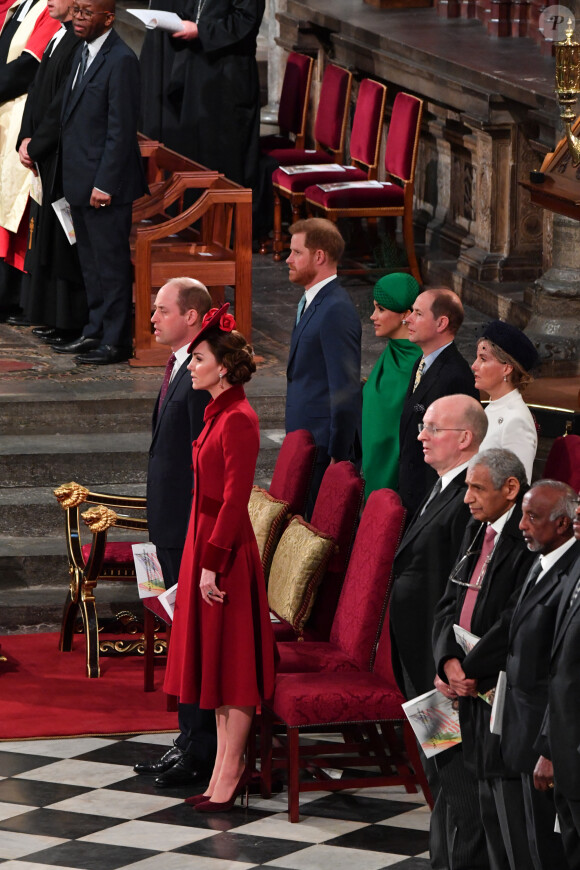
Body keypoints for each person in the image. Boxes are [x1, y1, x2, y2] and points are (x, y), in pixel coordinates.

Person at [163, 303, 276, 812]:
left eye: (198, 358)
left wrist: (210, 561)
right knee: (213, 663)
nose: (190, 364)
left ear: (223, 368)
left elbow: (235, 499)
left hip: (223, 552)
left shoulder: (240, 419)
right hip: (204, 542)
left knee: (232, 667)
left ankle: (231, 774)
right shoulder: (218, 412)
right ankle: (218, 772)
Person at [389, 393, 489, 870]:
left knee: (455, 778)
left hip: (437, 667)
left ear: (465, 438)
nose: (420, 435)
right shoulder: (443, 486)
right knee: (439, 775)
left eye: (432, 428)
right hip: (417, 658)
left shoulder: (468, 501)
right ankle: (443, 859)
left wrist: (445, 659)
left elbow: (461, 593)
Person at [133, 277, 218, 788]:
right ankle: (187, 738)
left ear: (191, 315)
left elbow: (204, 463)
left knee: (191, 638)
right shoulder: (180, 365)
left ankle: (200, 747)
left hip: (188, 527)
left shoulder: (203, 371)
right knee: (180, 637)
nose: (153, 318)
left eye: (162, 310)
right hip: (169, 521)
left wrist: (195, 535)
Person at [433, 448, 536, 870]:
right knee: (450, 785)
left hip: (490, 689)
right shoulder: (477, 527)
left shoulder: (527, 539)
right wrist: (447, 663)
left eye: (477, 488)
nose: (466, 497)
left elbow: (515, 616)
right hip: (452, 686)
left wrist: (469, 672)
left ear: (510, 489)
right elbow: (447, 604)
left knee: (484, 804)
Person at [468, 480, 577, 870]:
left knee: (547, 853)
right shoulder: (540, 560)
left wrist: (548, 747)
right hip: (518, 727)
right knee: (523, 845)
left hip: (546, 736)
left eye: (533, 517)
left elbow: (563, 671)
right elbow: (510, 623)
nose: (523, 526)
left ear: (563, 524)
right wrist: (466, 669)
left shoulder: (571, 575)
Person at [54, 0, 148, 365]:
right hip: (78, 177)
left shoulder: (122, 60)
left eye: (85, 12)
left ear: (108, 18)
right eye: (75, 9)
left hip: (104, 185)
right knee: (90, 263)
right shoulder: (83, 51)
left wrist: (105, 184)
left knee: (110, 265)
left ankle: (116, 340)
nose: (77, 18)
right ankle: (94, 330)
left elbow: (120, 131)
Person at [15, 0, 85, 345]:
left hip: (61, 156)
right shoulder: (58, 35)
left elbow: (61, 104)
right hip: (45, 153)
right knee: (46, 239)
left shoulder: (76, 43)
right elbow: (35, 96)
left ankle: (70, 321)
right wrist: (24, 139)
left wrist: (37, 143)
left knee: (63, 243)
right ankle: (53, 317)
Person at [285, 218, 361, 513]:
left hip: (321, 451)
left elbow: (345, 388)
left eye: (296, 252)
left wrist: (337, 455)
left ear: (319, 257)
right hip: (305, 444)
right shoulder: (312, 301)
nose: (288, 260)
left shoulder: (336, 309)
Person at [0, 0, 60, 318]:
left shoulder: (47, 8)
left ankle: (13, 296)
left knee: (16, 212)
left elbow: (27, 67)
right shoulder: (24, 4)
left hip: (23, 115)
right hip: (6, 113)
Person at [398, 287, 478, 518]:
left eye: (418, 314)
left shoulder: (455, 376)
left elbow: (454, 453)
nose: (408, 319)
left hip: (431, 506)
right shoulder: (421, 364)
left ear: (441, 323)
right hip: (411, 495)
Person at [167, 0, 264, 190]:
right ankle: (196, 215)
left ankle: (228, 217)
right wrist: (174, 24)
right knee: (195, 149)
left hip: (230, 75)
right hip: (198, 69)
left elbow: (247, 20)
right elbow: (194, 11)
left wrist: (200, 31)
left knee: (225, 154)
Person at [535, 496, 580, 867]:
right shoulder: (574, 570)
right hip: (567, 753)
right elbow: (561, 670)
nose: (577, 514)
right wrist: (550, 747)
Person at [361, 272, 421, 499]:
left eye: (381, 309)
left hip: (394, 488)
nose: (372, 316)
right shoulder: (392, 352)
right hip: (371, 474)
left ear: (406, 314)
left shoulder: (416, 364)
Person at [472, 320, 539, 484]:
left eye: (483, 359)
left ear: (507, 368)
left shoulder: (516, 420)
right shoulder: (491, 407)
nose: (474, 366)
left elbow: (516, 488)